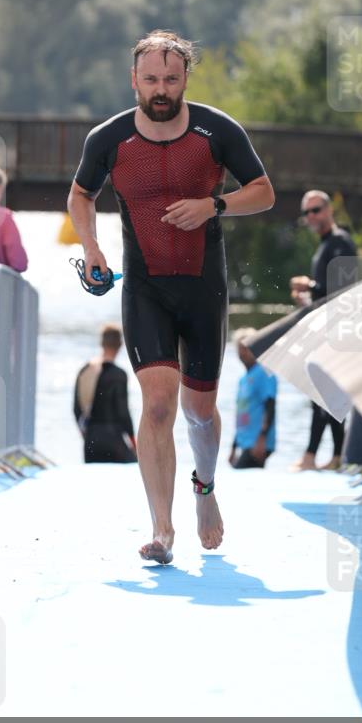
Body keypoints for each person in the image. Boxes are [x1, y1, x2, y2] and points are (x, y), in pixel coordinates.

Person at [68, 30, 275, 564]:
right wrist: (92, 248)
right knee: (158, 405)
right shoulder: (109, 139)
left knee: (199, 413)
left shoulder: (216, 131)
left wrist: (214, 206)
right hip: (145, 288)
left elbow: (264, 191)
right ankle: (162, 529)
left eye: (171, 79)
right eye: (152, 79)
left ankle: (204, 488)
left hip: (204, 289)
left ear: (185, 78)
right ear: (134, 79)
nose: (161, 89)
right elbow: (81, 194)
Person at [289, 190, 357, 472]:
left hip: (338, 332)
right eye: (306, 213)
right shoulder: (325, 245)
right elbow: (326, 295)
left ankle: (312, 456)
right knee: (325, 394)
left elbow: (343, 290)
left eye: (316, 210)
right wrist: (307, 298)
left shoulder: (340, 242)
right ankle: (337, 455)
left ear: (329, 211)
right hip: (325, 329)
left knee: (322, 392)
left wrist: (311, 286)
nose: (311, 217)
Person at [74, 323, 137, 464]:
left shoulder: (85, 370)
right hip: (114, 440)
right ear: (120, 345)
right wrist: (134, 442)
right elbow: (123, 413)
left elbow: (76, 409)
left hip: (91, 441)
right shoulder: (119, 375)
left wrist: (87, 434)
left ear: (101, 343)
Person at [229, 328, 277, 469]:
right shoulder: (243, 379)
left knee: (241, 474)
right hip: (245, 441)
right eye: (240, 348)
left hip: (258, 442)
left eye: (247, 348)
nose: (243, 353)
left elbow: (270, 405)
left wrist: (262, 438)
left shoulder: (264, 372)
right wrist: (234, 447)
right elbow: (241, 412)